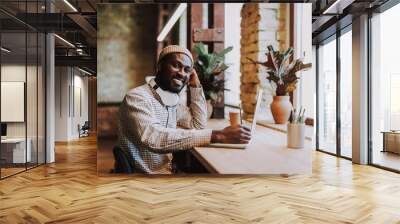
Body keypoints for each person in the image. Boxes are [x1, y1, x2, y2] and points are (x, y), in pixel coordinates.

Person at [118, 45, 251, 174]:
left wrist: (196, 86)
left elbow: (198, 125)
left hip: (168, 171)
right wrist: (219, 135)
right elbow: (154, 138)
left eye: (187, 70)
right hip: (149, 179)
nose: (182, 73)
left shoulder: (171, 101)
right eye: (176, 65)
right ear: (159, 66)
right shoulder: (137, 98)